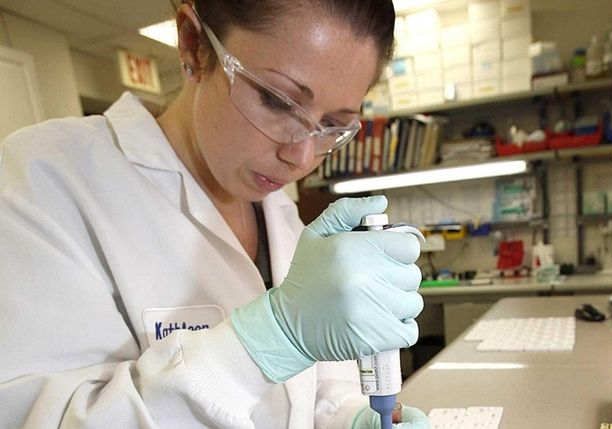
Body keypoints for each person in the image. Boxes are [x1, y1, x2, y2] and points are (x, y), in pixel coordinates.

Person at [0, 0, 430, 427]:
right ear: (193, 44)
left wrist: (350, 418)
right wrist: (265, 342)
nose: (300, 157)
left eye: (333, 125)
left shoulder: (280, 212)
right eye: (278, 101)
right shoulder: (45, 178)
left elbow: (310, 387)